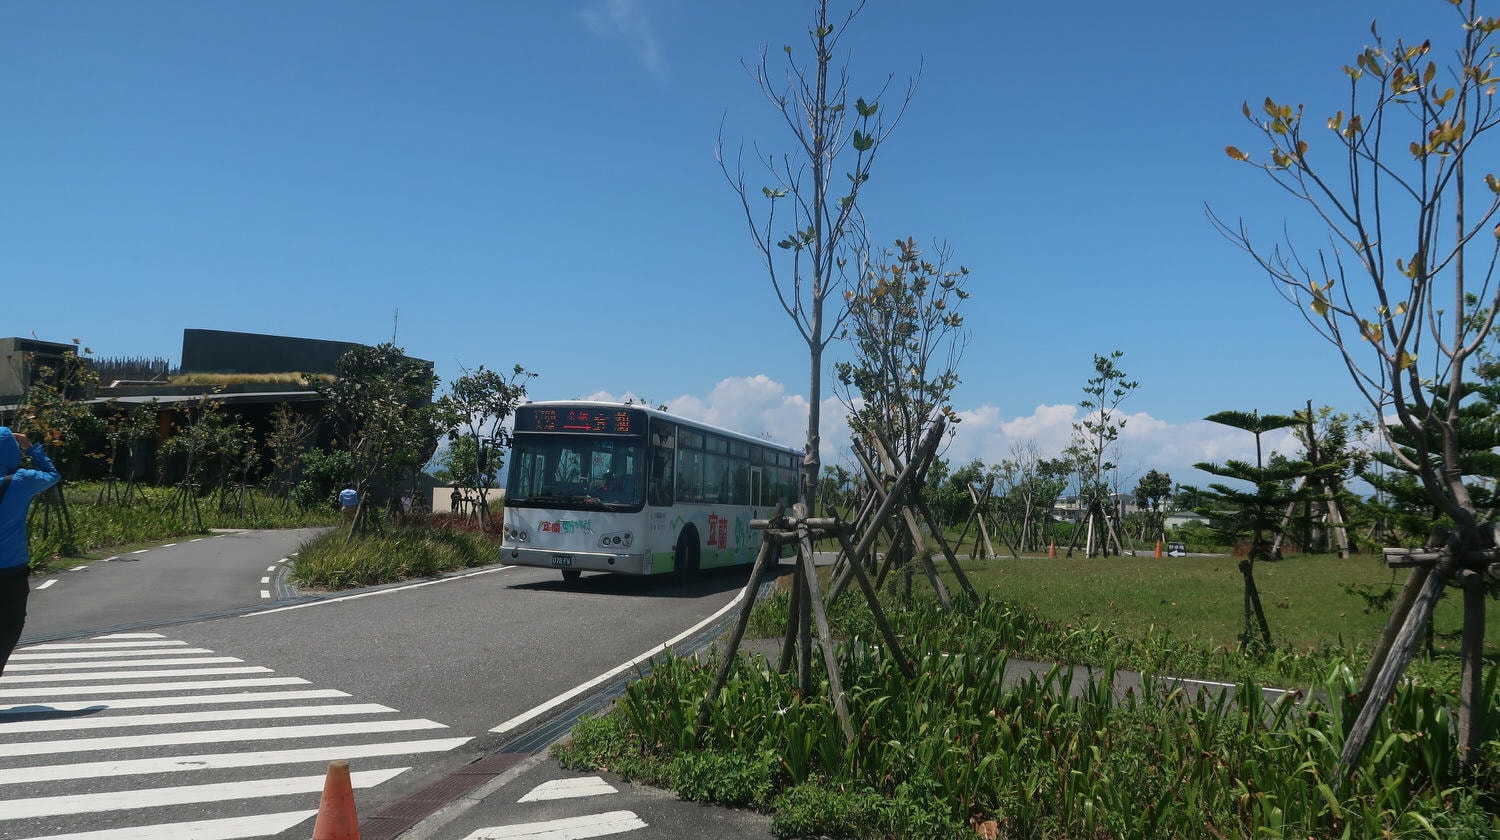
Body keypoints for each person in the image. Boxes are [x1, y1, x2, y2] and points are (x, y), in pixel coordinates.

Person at [0, 428, 61, 676]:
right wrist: (32, 448)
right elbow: (52, 475)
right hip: (11, 569)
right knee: (11, 624)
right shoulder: (23, 480)